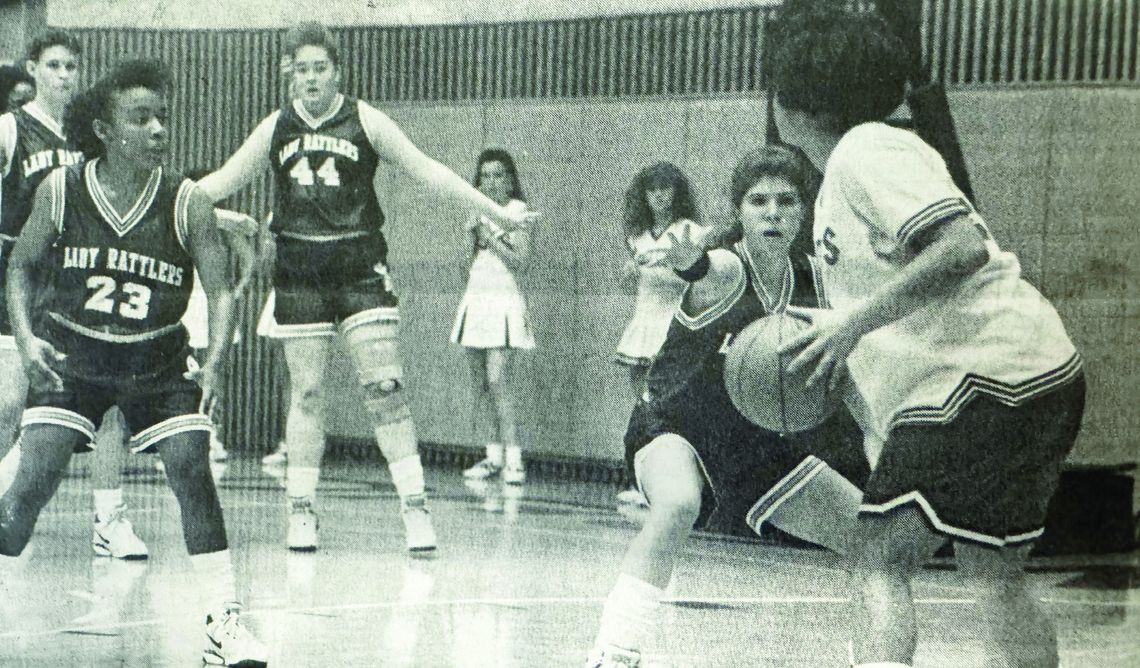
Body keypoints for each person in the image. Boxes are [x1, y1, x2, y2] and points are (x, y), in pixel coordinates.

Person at [770, 4, 1085, 667]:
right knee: (994, 572)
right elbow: (893, 334)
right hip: (1034, 372)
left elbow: (962, 245)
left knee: (879, 559)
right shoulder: (845, 181)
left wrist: (850, 324)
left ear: (787, 101)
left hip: (981, 374)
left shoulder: (867, 149)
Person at [196, 22, 538, 553]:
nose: (311, 78)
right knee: (306, 392)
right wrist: (166, 201)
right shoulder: (276, 126)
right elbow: (218, 183)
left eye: (320, 68)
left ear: (337, 72)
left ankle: (416, 509)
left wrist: (495, 211)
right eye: (302, 68)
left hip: (359, 268)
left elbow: (429, 172)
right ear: (289, 73)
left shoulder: (365, 120)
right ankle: (302, 510)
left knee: (385, 388)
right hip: (300, 271)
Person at [1, 58, 267, 666]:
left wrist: (218, 362)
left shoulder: (188, 201)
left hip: (156, 360)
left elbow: (221, 288)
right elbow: (20, 266)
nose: (156, 130)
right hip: (74, 353)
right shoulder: (63, 189)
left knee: (191, 466)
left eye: (162, 119)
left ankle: (224, 625)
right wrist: (25, 334)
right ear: (102, 128)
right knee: (27, 496)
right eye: (140, 118)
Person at [586, 145, 869, 668]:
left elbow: (845, 373)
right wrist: (687, 258)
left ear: (804, 212)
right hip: (675, 427)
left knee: (872, 539)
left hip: (755, 442)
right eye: (758, 201)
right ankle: (614, 653)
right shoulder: (727, 269)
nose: (773, 212)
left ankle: (872, 655)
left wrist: (880, 433)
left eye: (786, 201)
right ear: (738, 211)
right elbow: (701, 266)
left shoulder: (815, 282)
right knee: (677, 505)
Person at [0, 30, 147, 560]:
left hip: (74, 284)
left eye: (72, 67)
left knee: (109, 402)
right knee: (11, 404)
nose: (64, 75)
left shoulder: (90, 139)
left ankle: (109, 519)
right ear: (33, 69)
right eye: (54, 65)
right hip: (16, 276)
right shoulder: (11, 130)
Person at [612, 162, 706, 507]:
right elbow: (628, 284)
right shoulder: (638, 235)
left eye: (666, 188)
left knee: (664, 407)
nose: (659, 196)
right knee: (642, 405)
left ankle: (664, 483)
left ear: (676, 193)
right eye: (652, 190)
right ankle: (640, 481)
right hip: (643, 323)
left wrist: (662, 269)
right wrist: (631, 271)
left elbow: (694, 280)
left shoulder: (689, 232)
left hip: (673, 325)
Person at [453, 149, 534, 484]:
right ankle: (492, 457)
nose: (491, 182)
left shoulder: (517, 212)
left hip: (503, 302)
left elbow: (522, 261)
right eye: (485, 175)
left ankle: (514, 459)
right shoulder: (475, 210)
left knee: (499, 380)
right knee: (480, 384)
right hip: (476, 300)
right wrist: (470, 238)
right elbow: (466, 264)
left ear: (511, 179)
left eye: (498, 175)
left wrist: (490, 238)